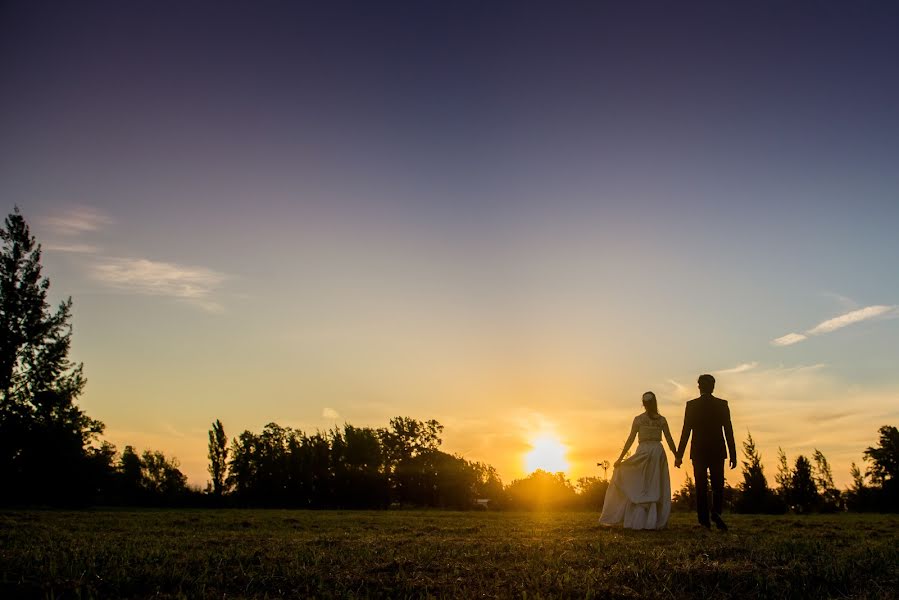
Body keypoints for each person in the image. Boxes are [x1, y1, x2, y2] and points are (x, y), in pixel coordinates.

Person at [599, 391, 677, 529]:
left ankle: (641, 518)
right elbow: (669, 439)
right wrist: (677, 455)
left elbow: (630, 439)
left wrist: (620, 458)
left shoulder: (639, 419)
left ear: (644, 404)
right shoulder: (661, 420)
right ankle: (652, 520)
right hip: (657, 451)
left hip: (644, 451)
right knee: (655, 484)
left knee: (641, 484)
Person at [674, 374, 737, 530]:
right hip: (717, 450)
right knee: (718, 485)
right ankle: (716, 512)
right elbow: (729, 431)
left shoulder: (692, 405)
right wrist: (733, 454)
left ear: (699, 387)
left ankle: (704, 521)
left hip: (699, 451)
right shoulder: (722, 404)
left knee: (701, 486)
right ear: (713, 387)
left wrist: (679, 455)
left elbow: (686, 431)